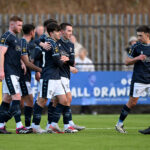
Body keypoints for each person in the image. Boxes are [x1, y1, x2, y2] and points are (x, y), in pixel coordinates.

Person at [46, 23, 85, 133]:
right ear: (62, 31)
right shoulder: (55, 42)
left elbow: (72, 62)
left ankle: (52, 124)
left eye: (71, 31)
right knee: (66, 98)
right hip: (58, 75)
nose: (70, 33)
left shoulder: (71, 45)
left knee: (57, 101)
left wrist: (67, 59)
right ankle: (66, 125)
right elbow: (54, 58)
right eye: (68, 31)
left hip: (66, 75)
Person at [32, 23, 69, 133]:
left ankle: (52, 124)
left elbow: (37, 41)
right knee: (42, 101)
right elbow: (57, 62)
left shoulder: (48, 41)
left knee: (63, 100)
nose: (60, 33)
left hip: (56, 77)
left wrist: (40, 44)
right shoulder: (52, 43)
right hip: (49, 76)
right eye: (58, 32)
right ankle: (35, 126)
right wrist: (64, 59)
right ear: (52, 33)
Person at [115, 25, 150, 134]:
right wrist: (138, 58)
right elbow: (126, 62)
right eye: (138, 35)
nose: (138, 37)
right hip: (139, 79)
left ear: (147, 34)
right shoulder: (136, 47)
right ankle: (119, 124)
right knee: (132, 102)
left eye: (141, 35)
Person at [0, 16, 32, 134]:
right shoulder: (6, 36)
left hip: (15, 72)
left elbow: (14, 54)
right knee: (16, 97)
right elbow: (1, 53)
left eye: (21, 25)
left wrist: (22, 62)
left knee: (7, 99)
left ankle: (1, 125)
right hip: (9, 72)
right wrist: (1, 71)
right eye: (18, 25)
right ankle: (19, 127)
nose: (20, 27)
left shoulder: (17, 39)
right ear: (11, 24)